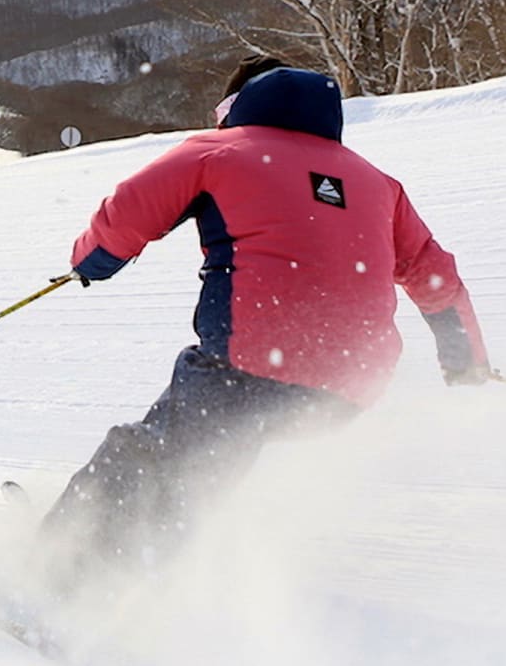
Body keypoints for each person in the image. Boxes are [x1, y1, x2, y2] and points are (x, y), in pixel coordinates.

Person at [33, 58, 491, 605]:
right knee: (213, 460)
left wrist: (91, 263)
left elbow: (125, 214)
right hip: (350, 389)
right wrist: (466, 364)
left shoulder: (218, 150)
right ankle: (145, 567)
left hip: (248, 368)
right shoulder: (377, 183)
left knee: (148, 458)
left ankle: (50, 585)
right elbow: (437, 276)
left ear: (234, 107)